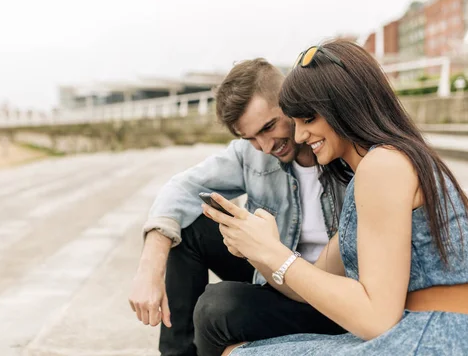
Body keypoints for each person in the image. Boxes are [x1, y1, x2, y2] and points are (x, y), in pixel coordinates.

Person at [202, 40, 468, 355]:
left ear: (342, 106)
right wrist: (260, 251)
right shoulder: (378, 170)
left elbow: (376, 317)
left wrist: (275, 254)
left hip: (438, 339)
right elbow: (307, 287)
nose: (301, 135)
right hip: (428, 332)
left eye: (308, 120)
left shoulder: (383, 165)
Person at [128, 58, 351, 356]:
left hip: (331, 296)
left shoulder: (346, 153)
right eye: (251, 138)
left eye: (269, 127)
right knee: (186, 225)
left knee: (216, 307)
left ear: (290, 100)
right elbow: (180, 188)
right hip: (275, 277)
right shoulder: (252, 154)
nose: (266, 146)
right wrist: (149, 269)